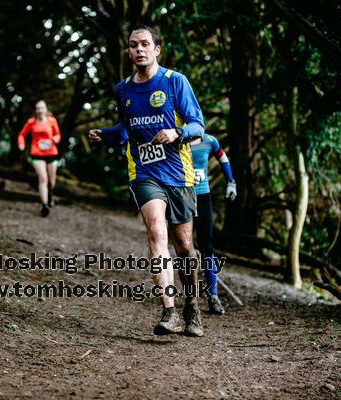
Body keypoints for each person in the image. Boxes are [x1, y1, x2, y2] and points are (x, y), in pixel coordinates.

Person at [89, 25, 206, 336]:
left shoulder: (174, 82)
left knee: (184, 246)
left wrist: (177, 132)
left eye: (144, 44)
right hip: (144, 171)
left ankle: (192, 305)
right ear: (128, 51)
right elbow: (125, 129)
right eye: (132, 45)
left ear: (157, 49)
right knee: (157, 232)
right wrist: (108, 135)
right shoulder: (123, 90)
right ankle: (169, 311)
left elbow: (198, 125)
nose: (138, 49)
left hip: (178, 172)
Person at [190, 133, 236, 314]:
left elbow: (222, 155)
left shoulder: (209, 141)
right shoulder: (175, 138)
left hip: (202, 196)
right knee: (184, 246)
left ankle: (213, 296)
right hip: (181, 196)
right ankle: (189, 296)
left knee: (206, 246)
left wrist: (230, 181)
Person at [17, 100, 61, 217]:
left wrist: (56, 138)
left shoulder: (52, 120)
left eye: (42, 108)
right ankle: (44, 205)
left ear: (46, 109)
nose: (40, 110)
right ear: (35, 110)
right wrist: (21, 144)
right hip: (37, 153)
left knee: (51, 181)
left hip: (51, 153)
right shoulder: (31, 122)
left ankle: (50, 194)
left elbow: (57, 134)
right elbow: (21, 134)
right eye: (38, 108)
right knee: (42, 178)